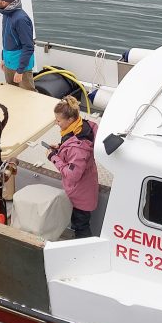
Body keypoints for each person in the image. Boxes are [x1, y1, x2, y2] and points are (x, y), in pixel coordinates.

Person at [47, 96, 98, 239]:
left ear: (69, 120)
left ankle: (85, 252)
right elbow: (73, 150)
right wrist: (60, 148)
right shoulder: (81, 127)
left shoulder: (79, 148)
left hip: (80, 194)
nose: (56, 123)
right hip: (85, 188)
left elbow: (73, 175)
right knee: (80, 224)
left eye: (58, 120)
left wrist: (53, 157)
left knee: (81, 227)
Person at [0, 0, 35, 91]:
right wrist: (4, 58)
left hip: (20, 66)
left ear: (4, 2)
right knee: (12, 92)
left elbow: (28, 46)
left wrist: (20, 70)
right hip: (9, 62)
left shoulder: (21, 19)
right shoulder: (6, 13)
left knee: (28, 95)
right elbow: (6, 38)